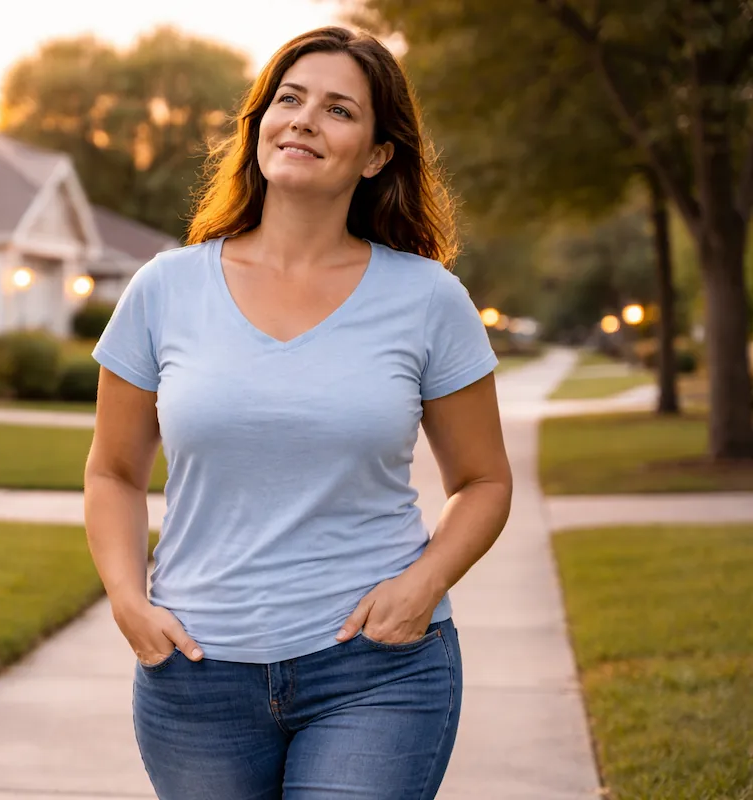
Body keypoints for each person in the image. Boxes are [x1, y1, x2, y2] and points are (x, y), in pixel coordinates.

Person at [83, 25, 512, 800]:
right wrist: (125, 599)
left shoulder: (427, 298)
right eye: (289, 99)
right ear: (259, 127)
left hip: (376, 670)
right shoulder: (164, 288)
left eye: (339, 110)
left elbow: (483, 481)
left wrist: (423, 585)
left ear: (379, 153)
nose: (305, 120)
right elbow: (113, 470)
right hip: (195, 675)